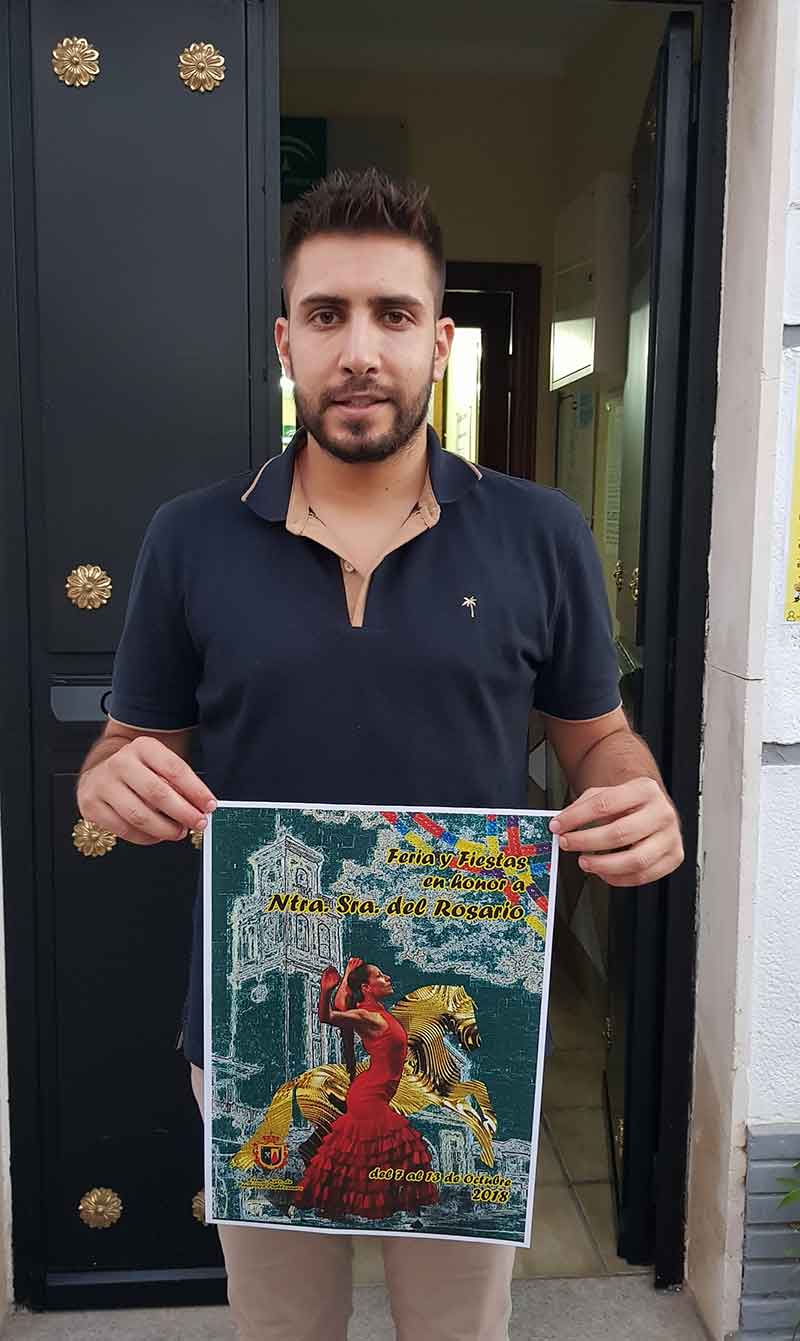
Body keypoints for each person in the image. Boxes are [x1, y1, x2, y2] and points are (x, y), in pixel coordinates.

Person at [76, 168, 684, 1341]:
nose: (359, 350)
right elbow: (127, 741)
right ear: (285, 343)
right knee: (283, 1326)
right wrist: (112, 775)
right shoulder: (189, 538)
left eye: (393, 315)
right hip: (256, 1020)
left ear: (438, 343)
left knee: (452, 1330)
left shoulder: (541, 534)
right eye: (326, 315)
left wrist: (638, 791)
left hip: (463, 1036)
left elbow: (597, 738)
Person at [296, 956, 438, 1220]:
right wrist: (326, 990)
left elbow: (343, 1004)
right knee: (397, 1148)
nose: (388, 977)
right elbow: (329, 1015)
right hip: (369, 1096)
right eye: (380, 976)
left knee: (363, 1155)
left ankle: (359, 1209)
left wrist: (347, 976)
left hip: (375, 1093)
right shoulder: (367, 1015)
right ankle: (369, 1211)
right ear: (366, 987)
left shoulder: (372, 1011)